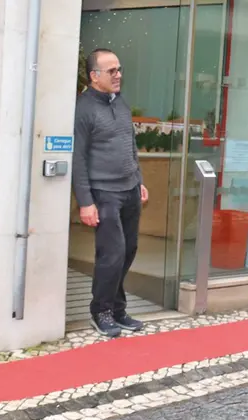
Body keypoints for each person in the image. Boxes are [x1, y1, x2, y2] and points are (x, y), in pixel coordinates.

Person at [72, 48, 148, 338]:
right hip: (103, 193)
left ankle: (117, 308)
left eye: (119, 69)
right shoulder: (83, 109)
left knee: (128, 251)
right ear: (94, 76)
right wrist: (85, 202)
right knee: (112, 254)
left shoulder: (122, 103)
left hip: (129, 189)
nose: (118, 75)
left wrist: (138, 179)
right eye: (111, 71)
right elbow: (78, 158)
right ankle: (100, 310)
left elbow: (129, 145)